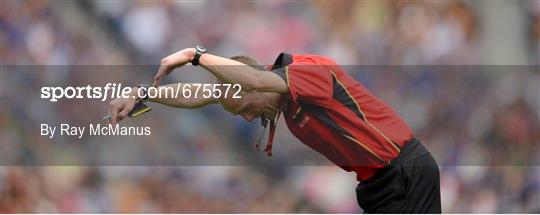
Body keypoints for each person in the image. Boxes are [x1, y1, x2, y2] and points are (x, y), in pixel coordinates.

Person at [107, 46, 442, 213]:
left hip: (404, 170)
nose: (250, 120)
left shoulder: (308, 73)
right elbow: (203, 94)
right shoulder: (277, 96)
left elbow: (251, 79)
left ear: (255, 88)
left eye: (246, 110)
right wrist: (144, 93)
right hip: (378, 184)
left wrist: (195, 55)